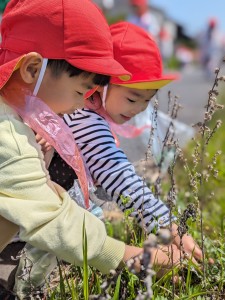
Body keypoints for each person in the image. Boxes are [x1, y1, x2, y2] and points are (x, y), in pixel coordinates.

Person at [12, 21, 202, 298]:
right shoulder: (85, 119)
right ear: (100, 84)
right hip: (30, 227)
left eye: (147, 101)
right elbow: (121, 179)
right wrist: (168, 225)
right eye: (133, 97)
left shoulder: (76, 107)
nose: (138, 109)